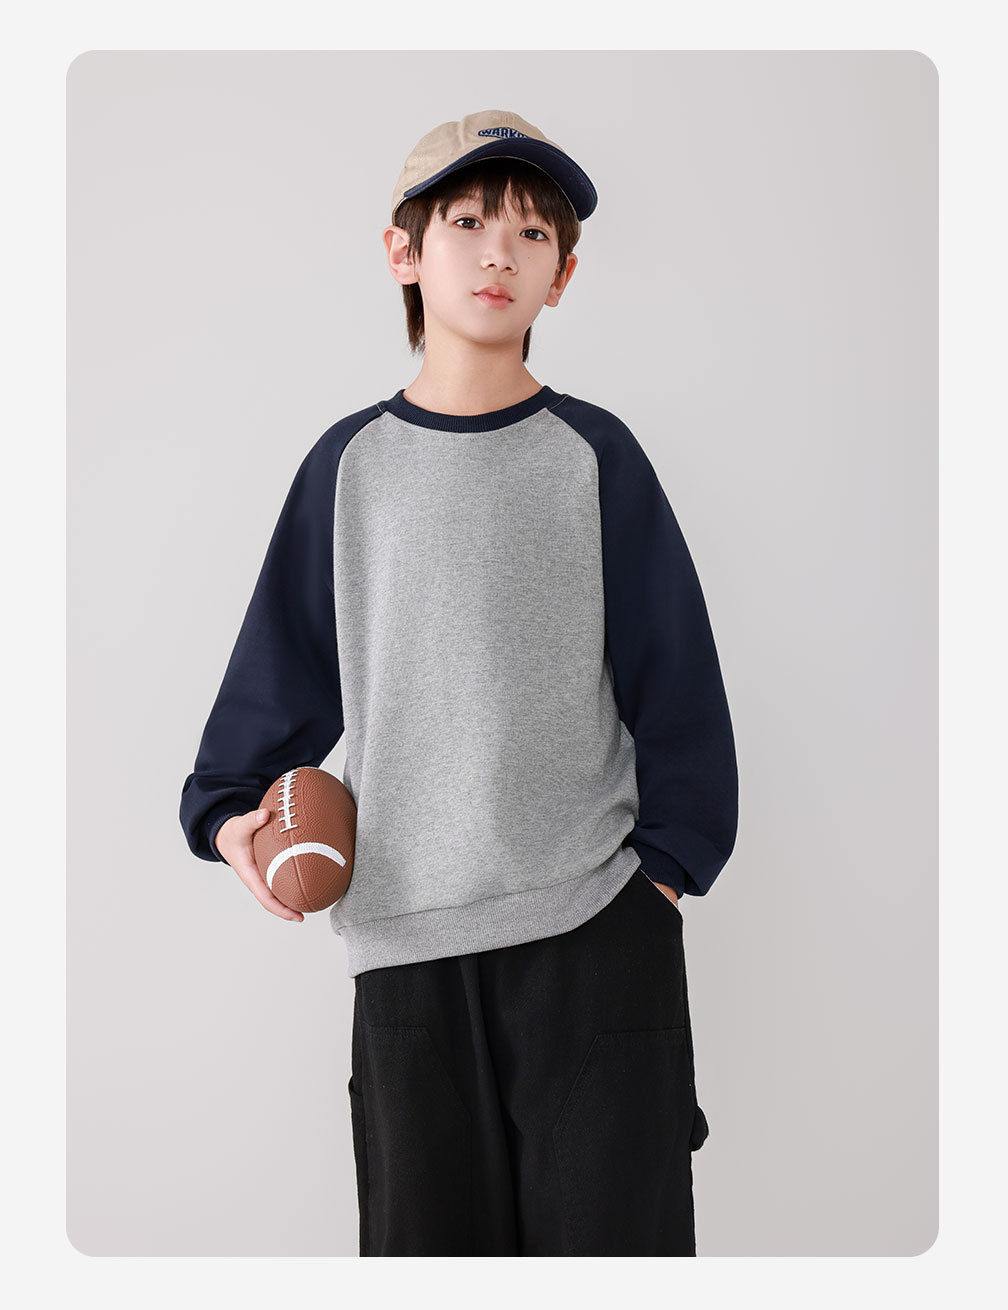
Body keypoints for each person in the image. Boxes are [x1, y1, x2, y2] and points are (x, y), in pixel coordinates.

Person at [179, 108, 738, 1256]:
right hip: (406, 958)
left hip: (594, 938)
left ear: (562, 275)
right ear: (404, 251)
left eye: (532, 233)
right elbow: (272, 686)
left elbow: (678, 678)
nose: (498, 253)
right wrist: (234, 818)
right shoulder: (349, 469)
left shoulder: (596, 456)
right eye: (469, 223)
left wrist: (664, 875)